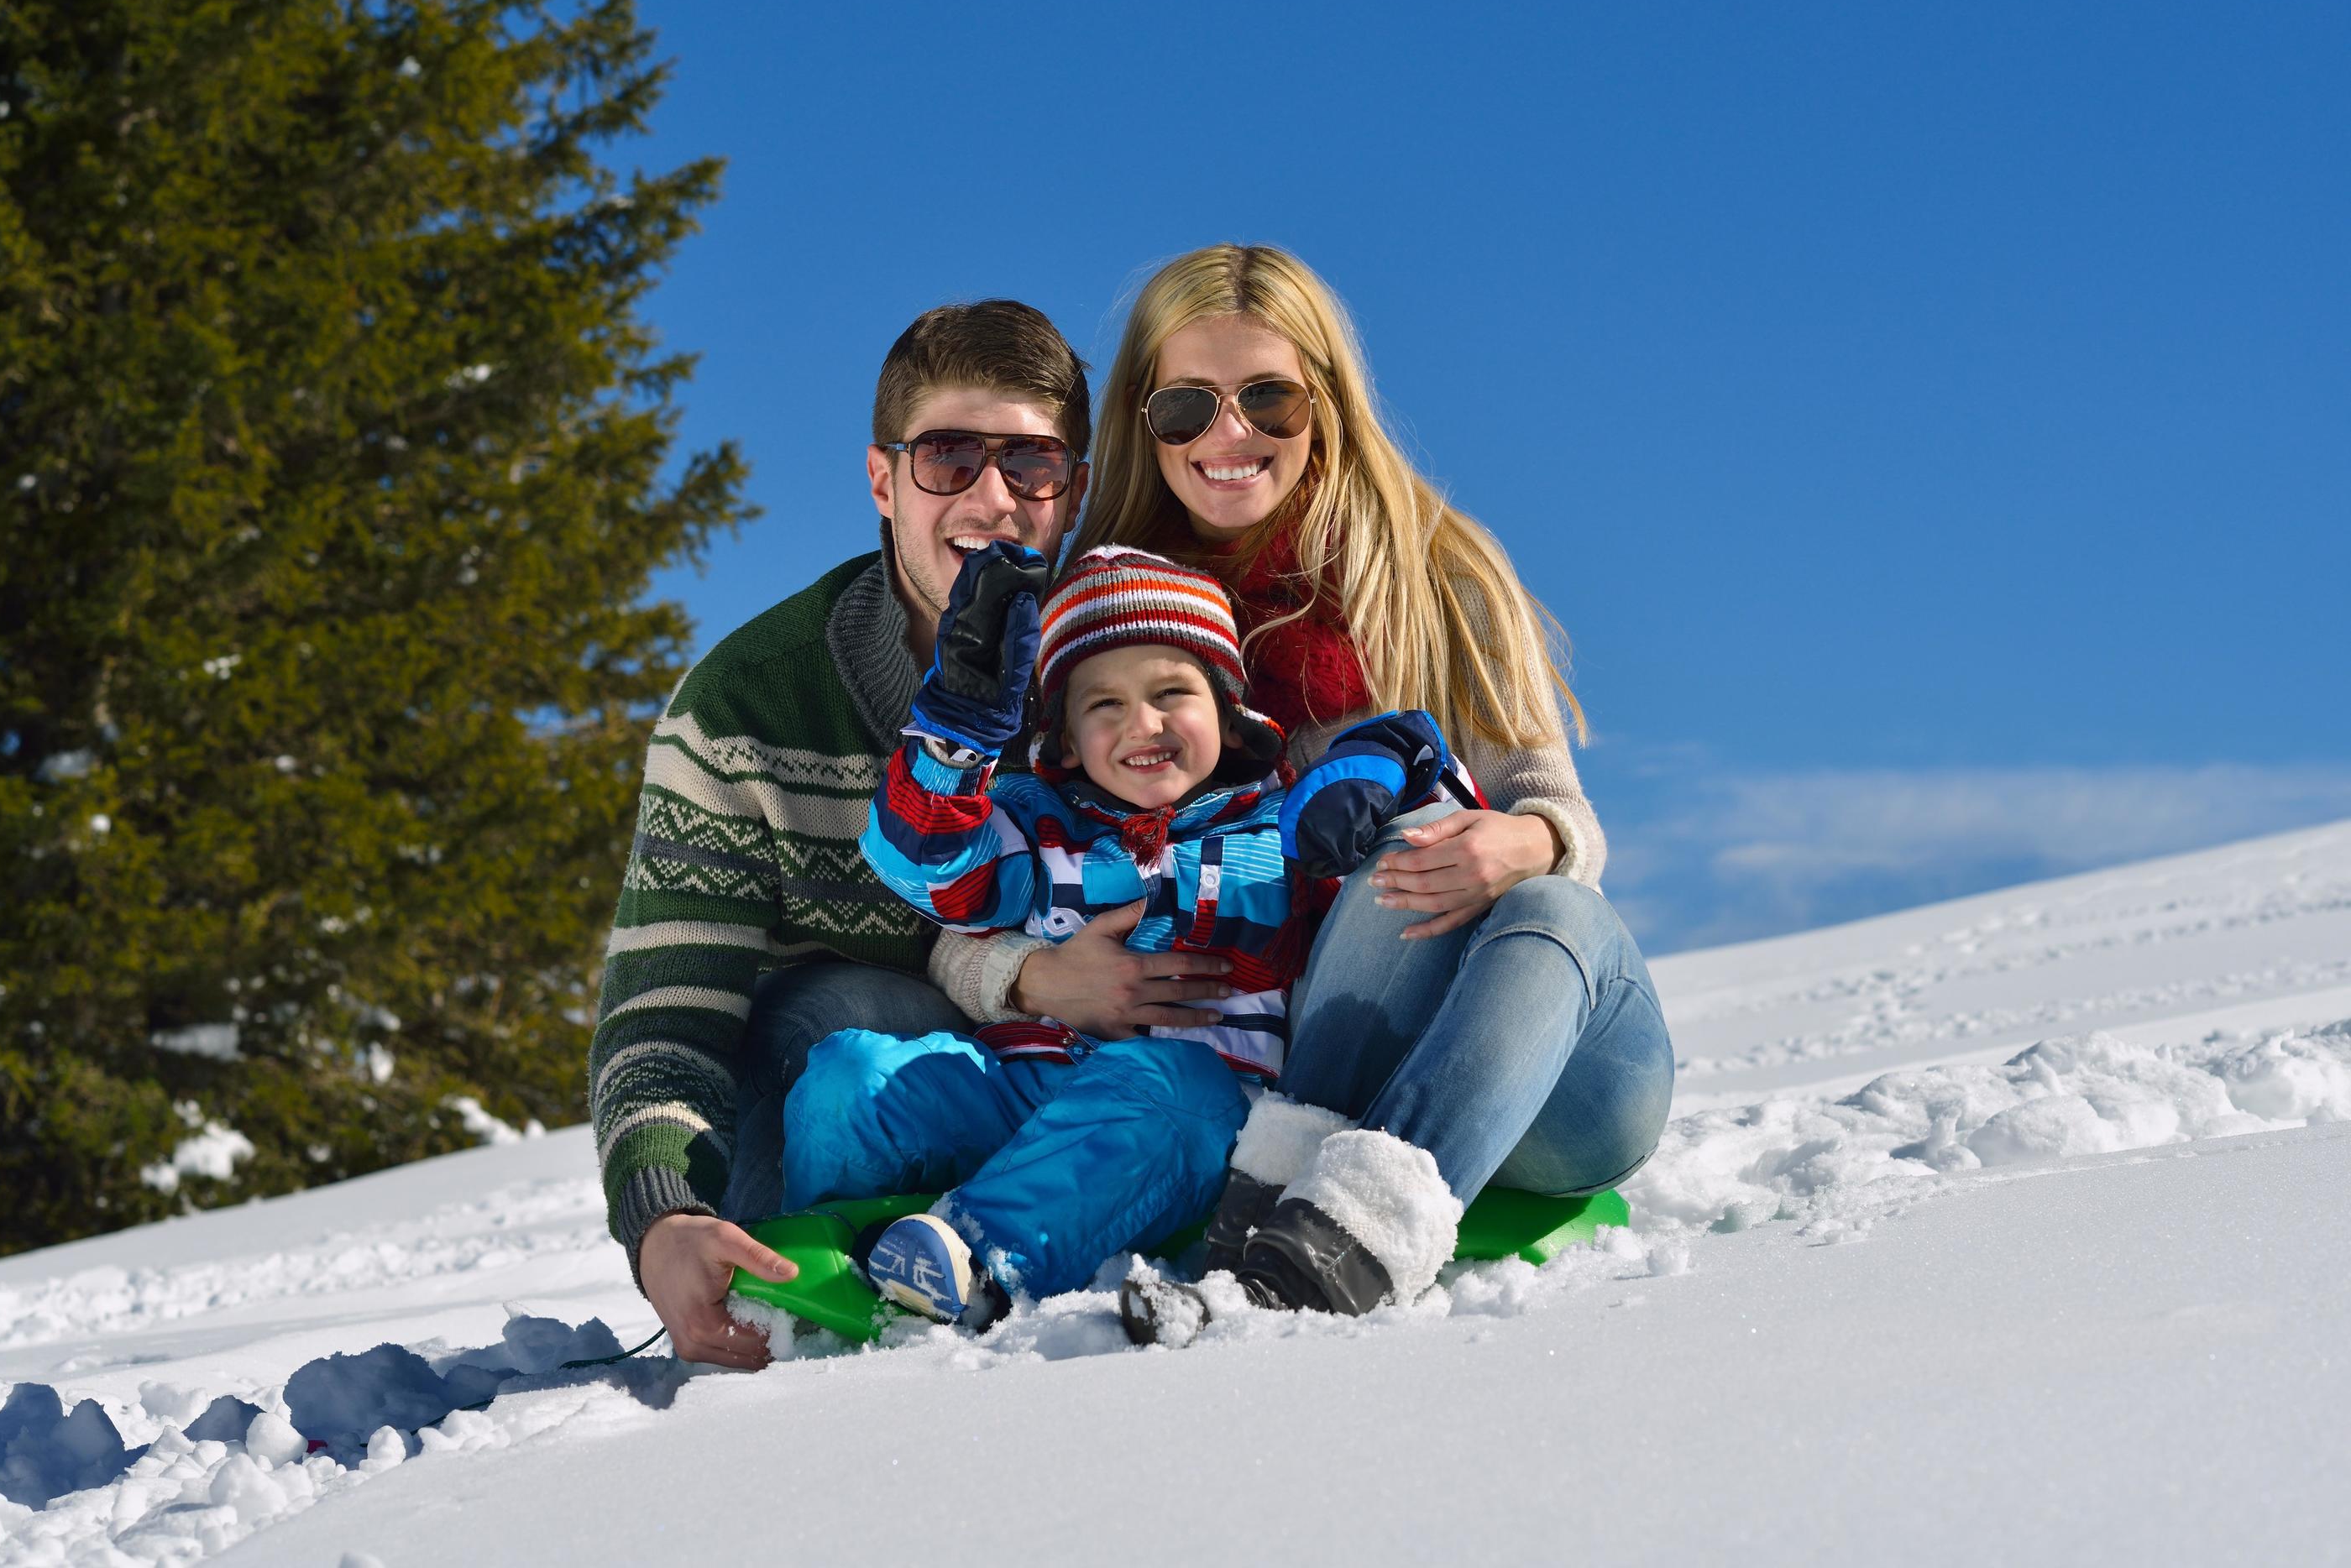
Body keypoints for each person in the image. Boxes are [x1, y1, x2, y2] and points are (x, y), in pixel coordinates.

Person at [1000, 244, 1676, 1336]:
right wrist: (1032, 974)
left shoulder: (1434, 569)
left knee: (1540, 896)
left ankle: (1352, 1216)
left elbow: (1557, 803)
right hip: (1286, 1058)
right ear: (1142, 417)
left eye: (1267, 396)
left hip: (1540, 1075)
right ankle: (1314, 1238)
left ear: (1326, 398)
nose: (1230, 437)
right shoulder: (1103, 627)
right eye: (1186, 406)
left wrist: (1530, 841)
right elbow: (988, 858)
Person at [587, 301, 1233, 1369]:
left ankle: (1068, 1237)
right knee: (846, 1007)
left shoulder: (1134, 670)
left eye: (1031, 463)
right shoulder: (748, 706)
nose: (991, 497)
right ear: (884, 481)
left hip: (1117, 1094)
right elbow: (667, 1014)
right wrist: (661, 1215)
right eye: (947, 457)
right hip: (868, 1098)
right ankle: (858, 1310)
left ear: (1069, 485)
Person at [781, 542, 1469, 1323]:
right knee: (850, 1072)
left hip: (1190, 1119)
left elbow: (1415, 874)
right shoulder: (1036, 824)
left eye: (1172, 691)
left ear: (1229, 714)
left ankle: (972, 1261)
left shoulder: (1280, 830)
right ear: (1065, 740)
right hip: (1027, 1092)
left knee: (1178, 1093)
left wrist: (1387, 763)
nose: (1143, 722)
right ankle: (819, 1261)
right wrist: (955, 732)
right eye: (1104, 704)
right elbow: (923, 868)